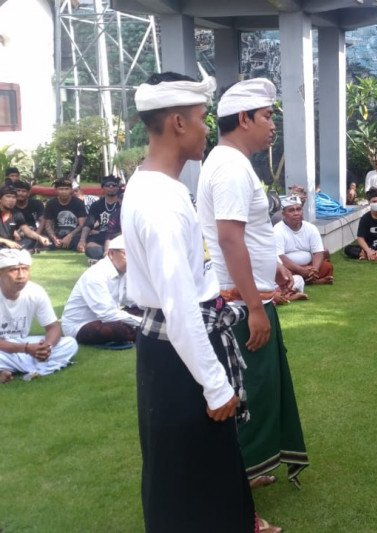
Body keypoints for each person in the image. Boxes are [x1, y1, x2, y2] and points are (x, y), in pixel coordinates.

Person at [122, 71, 258, 532]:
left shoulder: (159, 186)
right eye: (202, 118)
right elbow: (180, 310)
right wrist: (216, 386)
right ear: (178, 122)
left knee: (192, 476)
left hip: (177, 351)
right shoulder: (160, 202)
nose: (207, 129)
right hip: (181, 358)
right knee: (191, 485)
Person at [197, 78, 309, 501]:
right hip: (241, 304)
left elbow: (253, 233)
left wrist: (277, 265)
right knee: (245, 397)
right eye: (266, 116)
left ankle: (244, 474)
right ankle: (233, 494)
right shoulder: (228, 166)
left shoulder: (235, 163)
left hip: (252, 294)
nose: (272, 125)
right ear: (243, 119)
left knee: (258, 395)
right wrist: (255, 306)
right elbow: (228, 239)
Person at [0, 248, 78, 384]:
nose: (21, 275)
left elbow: (53, 327)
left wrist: (46, 347)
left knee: (70, 343)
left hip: (21, 344)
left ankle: (24, 369)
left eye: (25, 269)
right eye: (14, 270)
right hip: (8, 348)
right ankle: (38, 367)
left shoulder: (35, 291)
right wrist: (26, 348)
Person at [61, 235, 141, 346]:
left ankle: (141, 331)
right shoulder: (96, 275)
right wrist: (143, 322)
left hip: (109, 318)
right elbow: (108, 314)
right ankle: (143, 332)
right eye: (127, 254)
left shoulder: (125, 273)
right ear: (111, 254)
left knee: (146, 312)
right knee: (119, 330)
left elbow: (133, 300)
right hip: (81, 325)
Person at [274, 196, 334, 284]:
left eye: (298, 209)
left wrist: (315, 269)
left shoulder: (311, 228)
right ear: (283, 214)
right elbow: (280, 257)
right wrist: (301, 270)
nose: (296, 213)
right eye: (291, 210)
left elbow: (318, 252)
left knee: (327, 267)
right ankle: (314, 281)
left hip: (309, 266)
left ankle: (310, 279)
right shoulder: (277, 230)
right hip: (289, 268)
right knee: (281, 273)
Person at [78, 175, 122, 260]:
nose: (111, 187)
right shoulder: (96, 205)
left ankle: (109, 255)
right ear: (103, 188)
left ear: (118, 188)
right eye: (108, 185)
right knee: (90, 246)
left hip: (118, 236)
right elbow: (88, 224)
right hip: (102, 235)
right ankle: (110, 255)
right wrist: (82, 240)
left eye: (114, 185)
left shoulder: (122, 204)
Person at [0, 185, 49, 251]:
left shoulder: (16, 214)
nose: (11, 200)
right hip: (5, 243)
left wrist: (40, 237)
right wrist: (6, 241)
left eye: (14, 197)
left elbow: (27, 231)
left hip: (8, 245)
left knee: (33, 240)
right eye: (8, 196)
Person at [43, 178, 86, 251]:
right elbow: (48, 225)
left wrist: (70, 236)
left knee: (80, 245)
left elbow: (82, 224)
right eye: (61, 189)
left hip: (74, 234)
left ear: (71, 190)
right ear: (56, 190)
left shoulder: (79, 203)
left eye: (66, 189)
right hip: (57, 234)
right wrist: (54, 238)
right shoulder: (51, 203)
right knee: (44, 241)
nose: (64, 191)